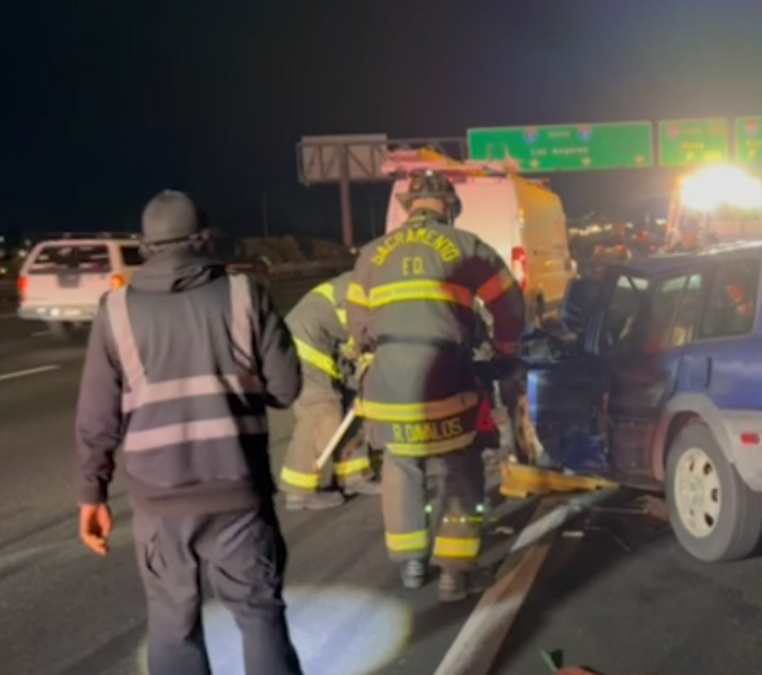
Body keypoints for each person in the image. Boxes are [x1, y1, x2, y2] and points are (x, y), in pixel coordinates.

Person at [75, 190, 305, 675]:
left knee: (172, 627)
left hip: (159, 503)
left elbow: (98, 416)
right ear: (204, 239)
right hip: (238, 496)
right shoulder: (245, 295)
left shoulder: (115, 312)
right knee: (259, 616)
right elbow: (286, 389)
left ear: (147, 246)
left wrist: (91, 493)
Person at [347, 169, 525, 602]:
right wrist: (503, 352)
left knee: (402, 466)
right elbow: (510, 305)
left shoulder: (370, 254)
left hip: (387, 386)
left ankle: (411, 565)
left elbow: (357, 327)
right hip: (446, 378)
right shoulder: (466, 247)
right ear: (449, 207)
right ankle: (454, 573)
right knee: (461, 468)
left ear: (409, 208)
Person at [278, 271, 382, 510]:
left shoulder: (378, 283)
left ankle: (353, 476)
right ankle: (299, 491)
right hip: (304, 344)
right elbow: (363, 335)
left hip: (329, 345)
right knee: (322, 410)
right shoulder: (371, 288)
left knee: (354, 405)